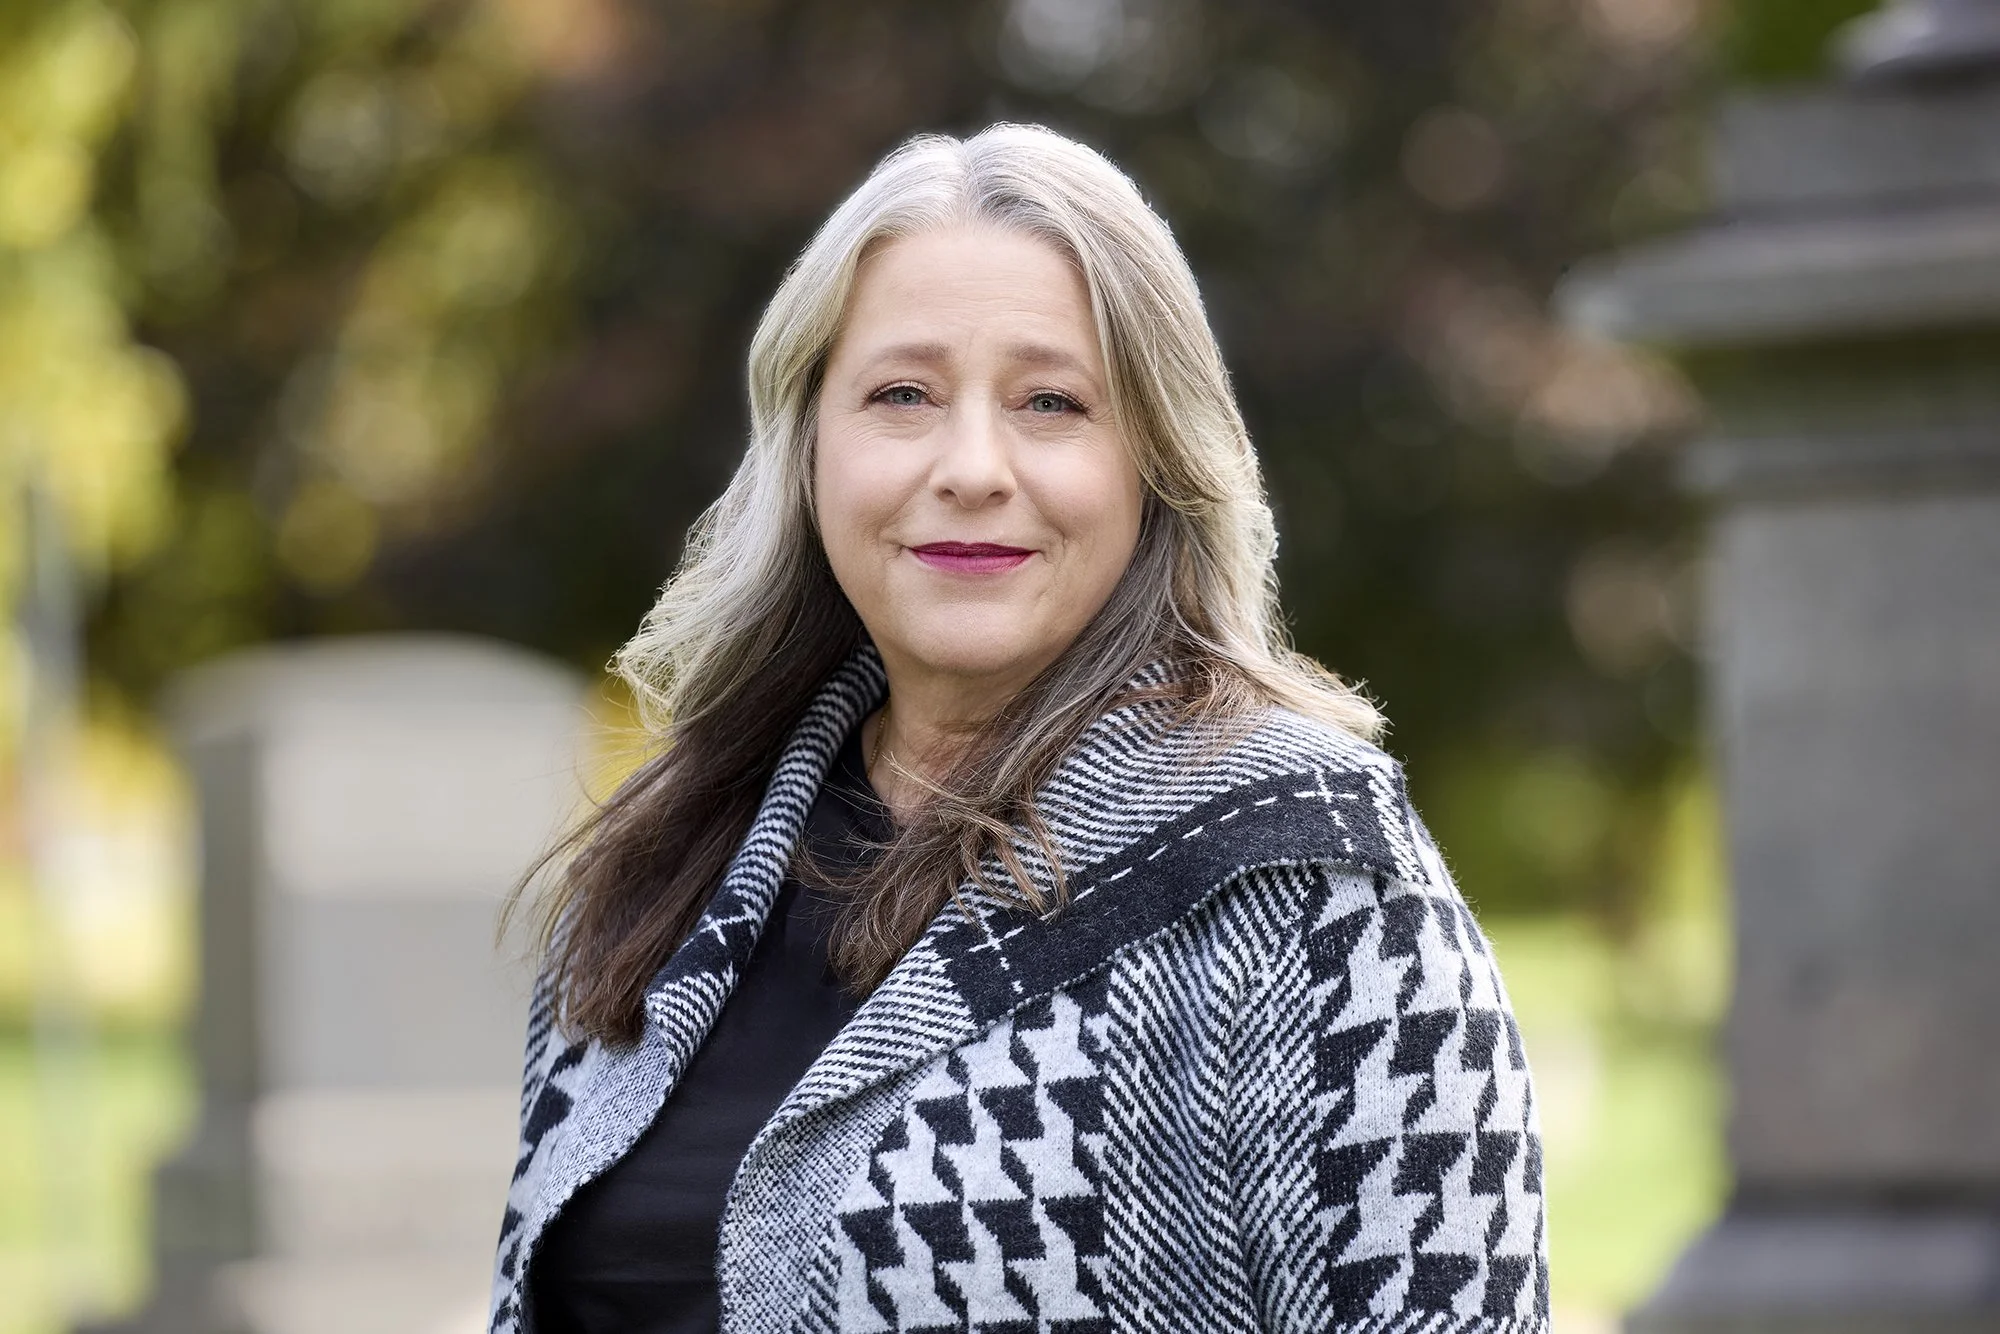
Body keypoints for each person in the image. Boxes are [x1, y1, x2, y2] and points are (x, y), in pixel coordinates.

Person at [490, 122, 1548, 1334]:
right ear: (807, 446)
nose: (972, 465)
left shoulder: (1308, 870)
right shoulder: (660, 869)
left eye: (1050, 402)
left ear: (1152, 457)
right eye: (902, 395)